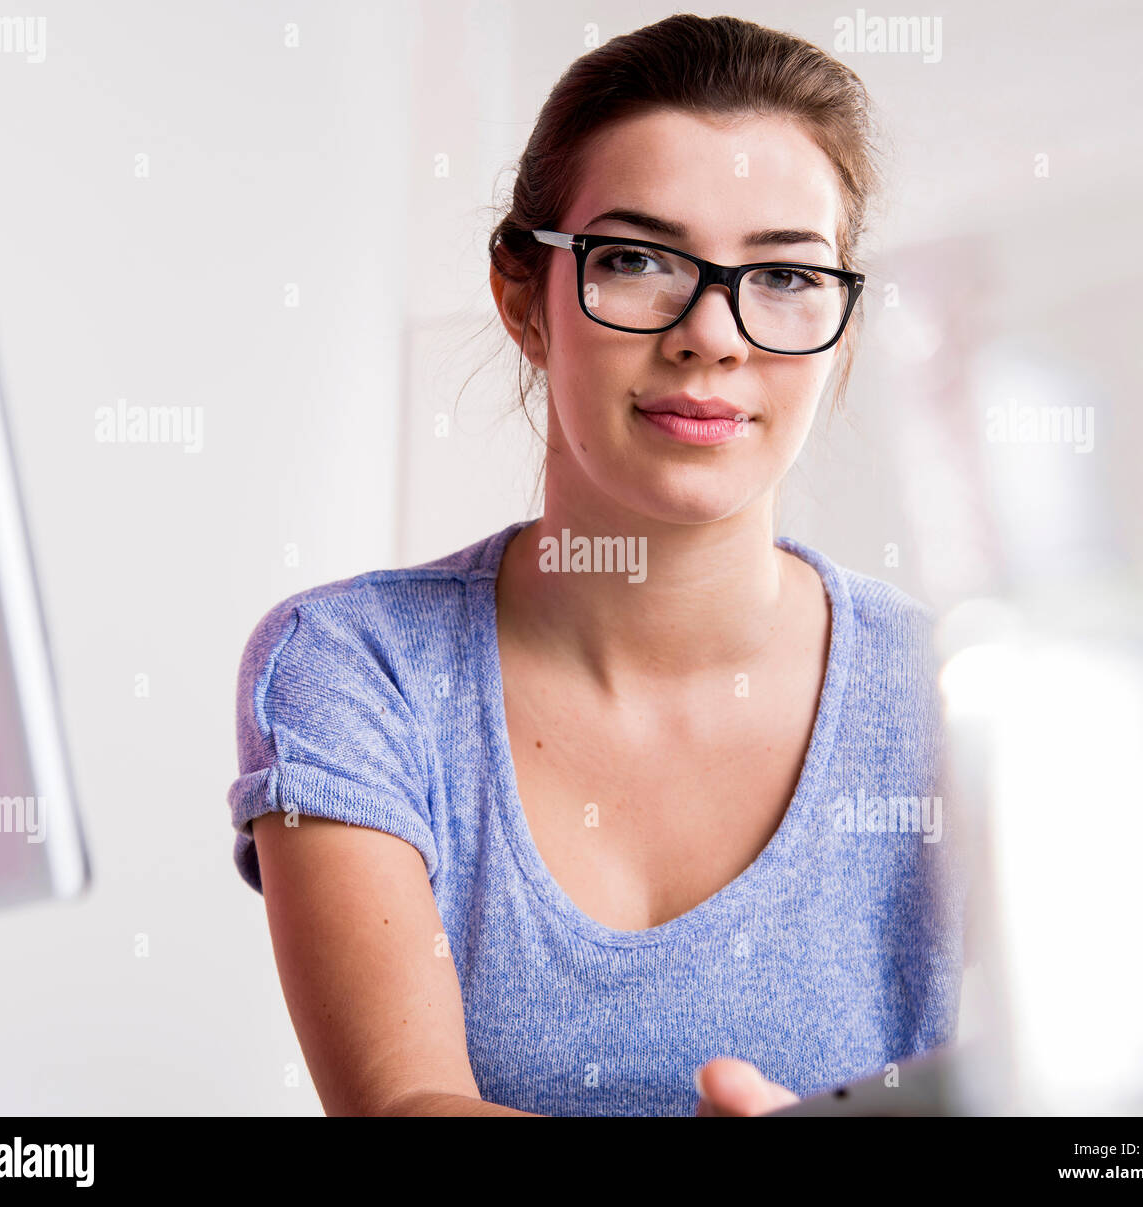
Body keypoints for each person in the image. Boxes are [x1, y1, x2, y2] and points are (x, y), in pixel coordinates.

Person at [226, 12, 964, 1117]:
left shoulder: (960, 692)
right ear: (523, 295)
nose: (713, 334)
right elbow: (405, 1107)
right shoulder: (352, 665)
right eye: (635, 261)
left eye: (785, 277)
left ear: (842, 323)